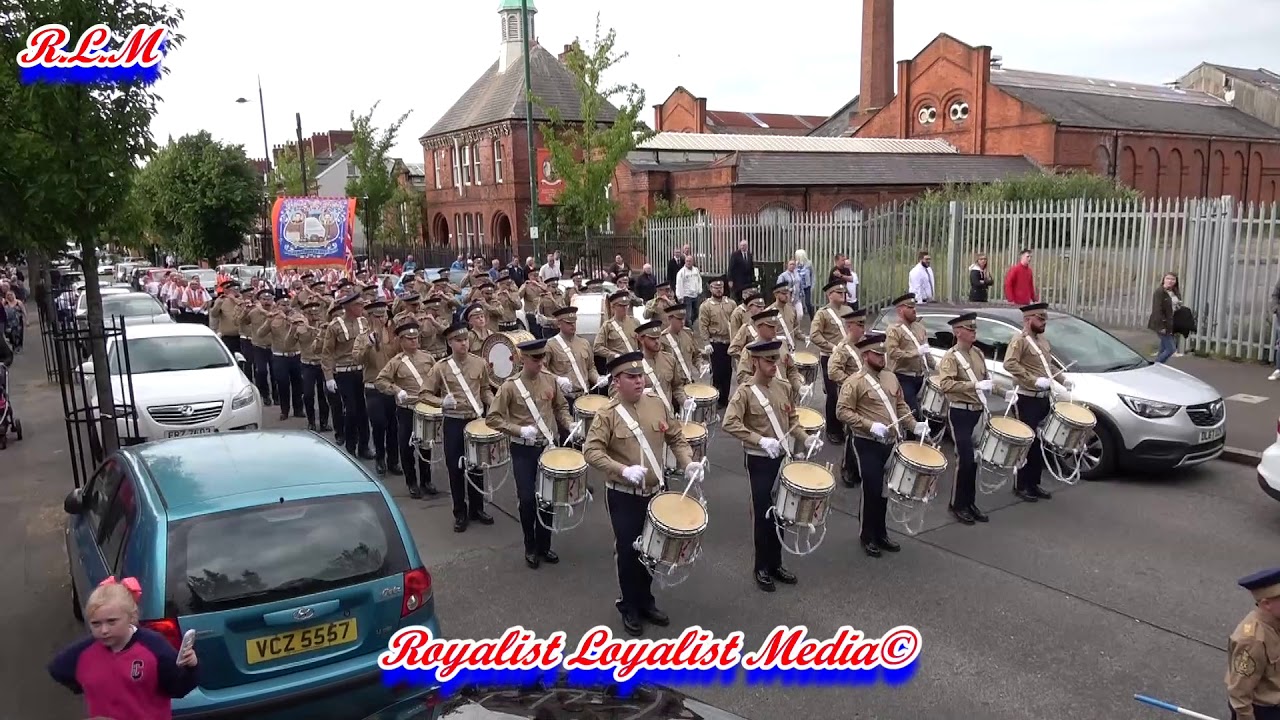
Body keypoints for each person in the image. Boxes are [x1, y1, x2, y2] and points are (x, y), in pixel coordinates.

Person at [583, 350, 700, 637]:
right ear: (617, 381)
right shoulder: (607, 414)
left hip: (655, 491)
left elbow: (675, 436)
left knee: (653, 550)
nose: (638, 381)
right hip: (623, 494)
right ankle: (629, 605)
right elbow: (591, 451)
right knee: (628, 550)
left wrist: (688, 462)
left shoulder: (657, 405)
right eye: (631, 377)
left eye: (640, 376)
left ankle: (646, 600)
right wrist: (621, 469)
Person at [722, 339, 820, 591]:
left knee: (783, 512)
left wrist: (806, 438)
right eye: (768, 360)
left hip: (782, 457)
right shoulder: (744, 391)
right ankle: (761, 567)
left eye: (776, 359)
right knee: (764, 513)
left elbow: (793, 421)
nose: (774, 364)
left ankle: (776, 563)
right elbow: (729, 423)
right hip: (759, 459)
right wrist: (759, 440)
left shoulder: (784, 387)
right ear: (755, 361)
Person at [48, 578, 198, 720]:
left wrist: (192, 667)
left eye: (111, 621)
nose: (104, 630)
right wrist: (90, 686)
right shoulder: (85, 652)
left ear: (131, 617)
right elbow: (57, 668)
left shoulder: (154, 646)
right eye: (96, 624)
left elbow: (179, 687)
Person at [836, 333, 928, 558]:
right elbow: (842, 411)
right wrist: (869, 425)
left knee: (885, 490)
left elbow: (901, 405)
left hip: (890, 442)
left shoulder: (890, 377)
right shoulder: (855, 381)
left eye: (883, 353)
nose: (882, 357)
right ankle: (867, 535)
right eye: (877, 354)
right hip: (867, 442)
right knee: (872, 488)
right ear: (866, 355)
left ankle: (881, 533)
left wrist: (914, 425)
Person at [486, 338, 574, 569]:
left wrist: (569, 423)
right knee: (527, 499)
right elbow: (493, 418)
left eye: (543, 357)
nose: (541, 362)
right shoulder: (510, 387)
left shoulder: (549, 380)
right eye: (536, 359)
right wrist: (518, 429)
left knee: (548, 499)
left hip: (547, 447)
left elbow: (560, 407)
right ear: (523, 359)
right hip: (523, 449)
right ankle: (530, 545)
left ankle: (544, 546)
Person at [422, 321, 495, 530]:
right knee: (455, 467)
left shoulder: (479, 363)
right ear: (450, 342)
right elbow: (425, 393)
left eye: (466, 339)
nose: (464, 344)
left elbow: (485, 390)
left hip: (475, 420)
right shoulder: (441, 367)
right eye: (459, 340)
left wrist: (493, 403)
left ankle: (477, 508)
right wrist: (441, 402)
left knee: (477, 465)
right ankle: (459, 512)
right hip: (453, 421)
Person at [1003, 302, 1072, 502]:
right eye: (1040, 319)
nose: (1044, 323)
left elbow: (1047, 364)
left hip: (1043, 397)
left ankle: (1034, 483)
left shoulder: (1041, 340)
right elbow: (1010, 364)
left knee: (1040, 442)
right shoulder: (1020, 340)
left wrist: (1062, 379)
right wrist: (1032, 380)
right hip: (1026, 397)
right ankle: (1021, 485)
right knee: (1027, 442)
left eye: (1044, 319)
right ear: (1028, 319)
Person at [933, 313, 997, 525]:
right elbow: (946, 385)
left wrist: (1003, 392)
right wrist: (974, 386)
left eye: (974, 329)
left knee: (975, 460)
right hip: (960, 411)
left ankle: (970, 503)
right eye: (970, 329)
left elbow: (986, 379)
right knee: (965, 459)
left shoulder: (977, 352)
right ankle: (957, 504)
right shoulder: (951, 358)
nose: (973, 333)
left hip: (978, 410)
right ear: (958, 332)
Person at [374, 319, 442, 499]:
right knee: (407, 446)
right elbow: (380, 381)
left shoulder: (428, 358)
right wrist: (397, 390)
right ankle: (411, 482)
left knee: (426, 444)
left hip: (426, 407)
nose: (414, 341)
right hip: (407, 408)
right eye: (409, 338)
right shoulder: (396, 361)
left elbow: (438, 380)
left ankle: (426, 480)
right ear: (401, 341)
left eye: (416, 337)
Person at [322, 291, 372, 459]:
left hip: (363, 372)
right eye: (359, 305)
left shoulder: (364, 322)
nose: (362, 307)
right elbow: (327, 353)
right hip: (344, 373)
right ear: (348, 307)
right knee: (350, 411)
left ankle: (364, 446)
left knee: (363, 411)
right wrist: (329, 377)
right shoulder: (334, 326)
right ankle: (351, 446)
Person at [1227, 567, 1280, 720]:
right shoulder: (1252, 640)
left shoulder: (1275, 622)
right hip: (1264, 711)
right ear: (1266, 604)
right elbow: (1239, 695)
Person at [828, 307, 868, 487]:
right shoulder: (843, 348)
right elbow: (833, 372)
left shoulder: (865, 345)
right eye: (859, 325)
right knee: (852, 431)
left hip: (866, 393)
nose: (863, 328)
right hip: (850, 394)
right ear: (850, 326)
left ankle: (860, 465)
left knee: (862, 431)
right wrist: (852, 382)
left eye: (863, 324)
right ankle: (847, 468)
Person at [809, 280, 850, 445]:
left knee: (847, 392)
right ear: (829, 295)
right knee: (833, 394)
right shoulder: (823, 313)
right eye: (839, 293)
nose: (843, 295)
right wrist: (832, 347)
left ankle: (845, 425)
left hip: (848, 358)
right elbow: (814, 335)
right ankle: (833, 430)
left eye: (844, 293)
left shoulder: (848, 310)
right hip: (830, 357)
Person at [883, 293, 929, 416]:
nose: (914, 310)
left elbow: (926, 352)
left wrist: (936, 369)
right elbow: (893, 353)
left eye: (914, 307)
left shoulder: (920, 328)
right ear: (900, 310)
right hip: (903, 377)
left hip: (920, 377)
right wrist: (915, 353)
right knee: (912, 413)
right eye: (910, 307)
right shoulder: (894, 330)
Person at [1148, 272, 1182, 364]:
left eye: (1173, 279)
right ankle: (1155, 366)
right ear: (1163, 280)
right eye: (1168, 278)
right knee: (1171, 349)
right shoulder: (1159, 292)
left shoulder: (1174, 292)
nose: (1170, 281)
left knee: (1163, 349)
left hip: (1171, 323)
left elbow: (1175, 306)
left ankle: (1158, 369)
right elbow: (1157, 310)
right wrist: (1162, 326)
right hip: (1162, 324)